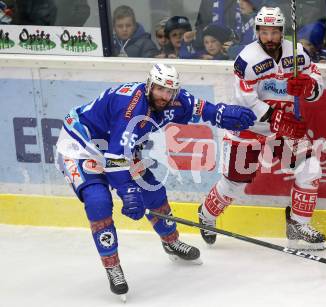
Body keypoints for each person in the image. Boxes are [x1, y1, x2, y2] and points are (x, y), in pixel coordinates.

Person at [54, 63, 257, 300]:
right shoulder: (132, 109)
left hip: (119, 149)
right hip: (81, 148)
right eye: (159, 89)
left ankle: (171, 242)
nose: (164, 96)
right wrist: (128, 191)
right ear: (149, 85)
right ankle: (112, 266)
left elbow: (202, 109)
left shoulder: (174, 100)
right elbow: (115, 160)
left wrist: (222, 114)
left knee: (153, 193)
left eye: (169, 91)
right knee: (98, 201)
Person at [197, 6, 326, 251]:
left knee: (310, 166)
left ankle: (298, 223)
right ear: (257, 31)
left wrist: (308, 87)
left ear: (282, 31)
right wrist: (276, 119)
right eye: (264, 32)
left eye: (274, 32)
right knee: (235, 181)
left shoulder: (297, 52)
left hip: (284, 126)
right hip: (249, 126)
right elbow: (247, 100)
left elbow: (317, 81)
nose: (269, 38)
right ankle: (206, 214)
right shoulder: (247, 59)